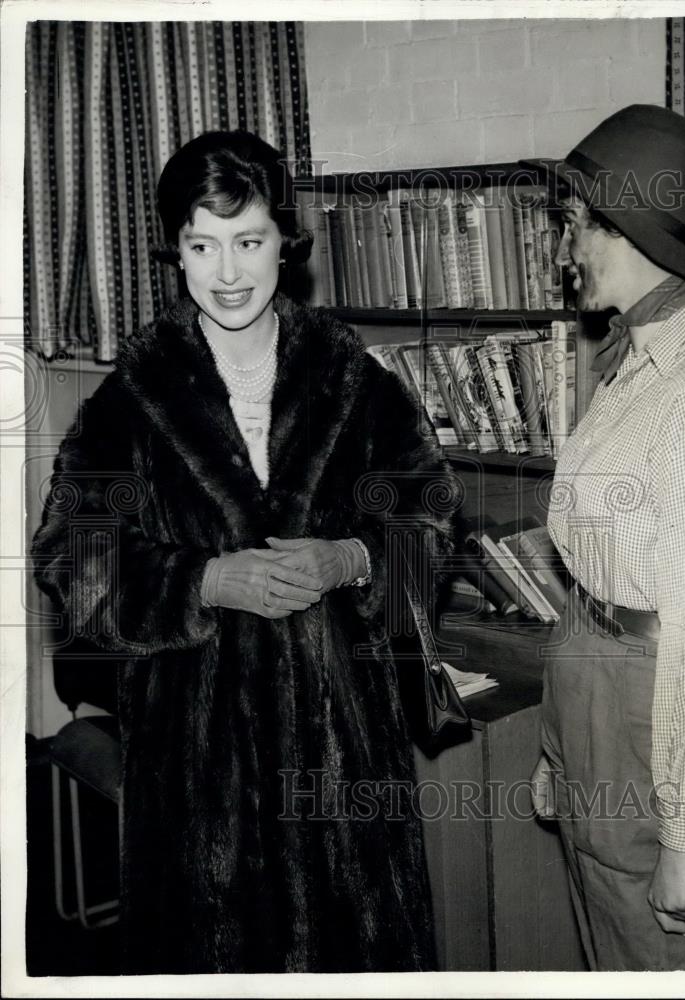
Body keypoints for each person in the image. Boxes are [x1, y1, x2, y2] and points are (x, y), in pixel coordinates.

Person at [32, 130, 459, 974]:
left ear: (285, 246)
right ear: (176, 252)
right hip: (197, 775)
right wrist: (204, 580)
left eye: (249, 242)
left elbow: (430, 514)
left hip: (346, 759)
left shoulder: (350, 376)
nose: (228, 273)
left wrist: (351, 559)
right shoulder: (136, 395)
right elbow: (72, 553)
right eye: (203, 245)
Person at [525, 105, 685, 971]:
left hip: (655, 720)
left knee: (651, 965)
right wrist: (562, 745)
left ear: (620, 227)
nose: (564, 250)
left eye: (574, 226)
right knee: (607, 947)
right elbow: (598, 582)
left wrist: (682, 837)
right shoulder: (637, 361)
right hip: (602, 704)